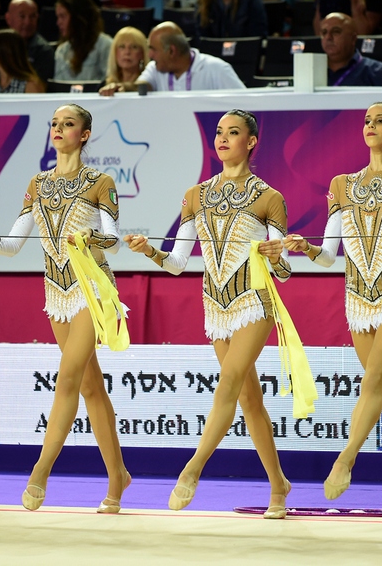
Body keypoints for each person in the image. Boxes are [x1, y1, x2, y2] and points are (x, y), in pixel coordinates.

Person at [0, 104, 131, 514]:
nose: (59, 129)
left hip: (90, 289)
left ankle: (40, 472)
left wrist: (92, 236)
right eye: (54, 124)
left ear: (84, 134)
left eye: (68, 124)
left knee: (66, 379)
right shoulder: (39, 183)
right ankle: (118, 475)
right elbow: (13, 245)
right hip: (56, 292)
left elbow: (114, 240)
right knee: (89, 386)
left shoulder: (101, 181)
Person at [124, 110, 293, 518]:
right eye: (219, 132)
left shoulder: (270, 198)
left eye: (233, 132)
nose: (223, 138)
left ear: (251, 142)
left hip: (253, 301)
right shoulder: (196, 195)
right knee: (250, 400)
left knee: (229, 383)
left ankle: (191, 469)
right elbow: (180, 262)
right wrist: (150, 251)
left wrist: (278, 254)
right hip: (215, 305)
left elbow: (284, 271)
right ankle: (279, 486)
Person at [284, 102, 382, 524]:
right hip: (357, 299)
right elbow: (329, 254)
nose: (370, 126)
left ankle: (346, 458)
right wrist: (306, 247)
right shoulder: (342, 184)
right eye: (367, 121)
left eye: (380, 121)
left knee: (373, 379)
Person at [108, 21, 245, 94]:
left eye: (154, 50)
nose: (150, 55)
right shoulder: (155, 69)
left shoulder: (216, 69)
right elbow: (140, 86)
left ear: (171, 51)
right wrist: (122, 87)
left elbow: (245, 106)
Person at [0, 0, 55, 84]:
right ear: (8, 18)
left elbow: (40, 88)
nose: (28, 22)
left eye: (33, 16)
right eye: (22, 16)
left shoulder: (44, 51)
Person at [321, 12, 382, 86]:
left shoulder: (378, 72)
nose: (328, 37)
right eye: (324, 32)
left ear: (353, 39)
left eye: (336, 31)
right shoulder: (312, 71)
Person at [53, 0, 113, 82]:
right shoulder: (61, 51)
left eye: (63, 16)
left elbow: (110, 82)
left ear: (78, 17)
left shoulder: (106, 45)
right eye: (58, 17)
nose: (58, 22)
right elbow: (59, 88)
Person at [98, 26, 149, 96]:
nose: (127, 52)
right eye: (122, 47)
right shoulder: (103, 86)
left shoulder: (150, 84)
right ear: (115, 52)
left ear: (143, 54)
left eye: (134, 47)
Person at [195, 0, 268, 39]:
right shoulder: (203, 5)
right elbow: (201, 39)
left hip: (244, 56)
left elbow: (258, 37)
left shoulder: (252, 2)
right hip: (214, 59)